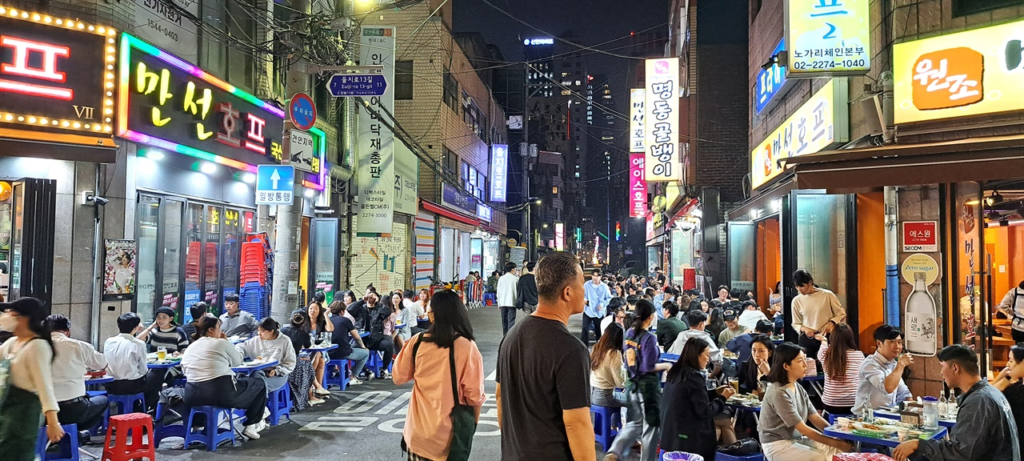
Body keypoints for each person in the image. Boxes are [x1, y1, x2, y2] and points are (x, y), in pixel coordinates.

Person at [496, 252, 595, 460]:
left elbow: (500, 397)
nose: (584, 293)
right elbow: (576, 422)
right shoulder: (571, 349)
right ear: (567, 293)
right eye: (582, 286)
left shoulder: (510, 337)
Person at [393, 290, 486, 460]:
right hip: (448, 437)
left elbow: (398, 376)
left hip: (417, 435)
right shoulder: (466, 346)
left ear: (433, 315)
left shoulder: (417, 341)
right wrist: (472, 425)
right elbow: (474, 396)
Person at [893, 344, 1021, 461]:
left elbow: (961, 453)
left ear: (955, 368)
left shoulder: (978, 401)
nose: (941, 372)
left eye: (942, 366)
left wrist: (918, 444)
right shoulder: (989, 392)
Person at [759, 342, 852, 461]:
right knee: (819, 457)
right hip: (777, 444)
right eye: (800, 361)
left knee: (835, 451)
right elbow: (803, 429)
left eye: (805, 359)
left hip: (795, 439)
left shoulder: (798, 387)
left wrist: (837, 436)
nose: (805, 364)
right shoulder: (778, 392)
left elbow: (815, 418)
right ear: (786, 366)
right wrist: (837, 442)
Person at [181, 315, 268, 440]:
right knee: (259, 384)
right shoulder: (221, 342)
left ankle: (197, 428)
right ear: (211, 330)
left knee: (243, 384)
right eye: (219, 328)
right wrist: (226, 341)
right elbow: (237, 361)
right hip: (220, 393)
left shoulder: (191, 346)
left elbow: (184, 370)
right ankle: (251, 425)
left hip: (192, 394)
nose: (221, 332)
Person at [0, 298, 63, 459]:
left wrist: (53, 422)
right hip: (6, 410)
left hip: (24, 414)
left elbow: (45, 386)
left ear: (24, 318)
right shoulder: (12, 343)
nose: (5, 316)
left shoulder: (38, 346)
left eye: (10, 313)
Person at [661, 336, 737, 460]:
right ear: (696, 355)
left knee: (722, 424)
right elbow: (705, 411)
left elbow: (691, 397)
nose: (708, 360)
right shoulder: (694, 376)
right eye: (706, 355)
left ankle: (733, 453)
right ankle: (734, 453)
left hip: (670, 429)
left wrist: (714, 393)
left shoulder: (676, 371)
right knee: (723, 422)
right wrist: (723, 398)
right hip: (686, 432)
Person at [621, 299, 672, 461]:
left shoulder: (628, 334)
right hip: (647, 388)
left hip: (632, 385)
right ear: (650, 317)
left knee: (635, 425)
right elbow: (648, 367)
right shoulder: (648, 337)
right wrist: (666, 366)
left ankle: (615, 453)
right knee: (650, 429)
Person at [46, 314, 108, 437]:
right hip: (74, 409)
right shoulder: (78, 345)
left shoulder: (35, 347)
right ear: (68, 332)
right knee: (103, 400)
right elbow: (102, 363)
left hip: (43, 412)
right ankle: (76, 434)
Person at [590, 325, 642, 460]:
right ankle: (632, 438)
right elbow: (620, 383)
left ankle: (614, 425)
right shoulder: (614, 354)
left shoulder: (597, 348)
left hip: (594, 393)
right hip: (607, 396)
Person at [103, 312, 161, 412]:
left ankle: (134, 410)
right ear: (136, 327)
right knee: (155, 378)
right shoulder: (138, 344)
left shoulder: (109, 341)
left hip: (110, 385)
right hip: (131, 385)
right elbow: (143, 370)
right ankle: (143, 411)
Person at [852, 324, 913, 415]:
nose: (897, 346)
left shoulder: (893, 364)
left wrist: (913, 410)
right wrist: (901, 365)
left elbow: (904, 393)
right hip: (865, 418)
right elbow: (886, 388)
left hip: (885, 416)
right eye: (892, 342)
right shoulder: (870, 364)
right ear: (879, 343)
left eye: (899, 342)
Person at [791, 270, 846, 367]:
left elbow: (841, 313)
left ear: (810, 283)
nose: (799, 289)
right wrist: (805, 329)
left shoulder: (827, 295)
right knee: (807, 369)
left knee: (829, 367)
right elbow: (795, 323)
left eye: (802, 286)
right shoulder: (796, 300)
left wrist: (832, 322)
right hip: (807, 339)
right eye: (797, 286)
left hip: (827, 336)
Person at [237, 317, 296, 393]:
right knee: (255, 377)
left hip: (278, 375)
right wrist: (238, 353)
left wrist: (276, 371)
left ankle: (259, 402)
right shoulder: (256, 340)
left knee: (257, 386)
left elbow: (290, 363)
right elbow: (242, 347)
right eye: (258, 331)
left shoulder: (284, 341)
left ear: (271, 331)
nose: (259, 334)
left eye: (262, 331)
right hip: (259, 373)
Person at [815, 324, 864, 416]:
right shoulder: (859, 355)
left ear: (832, 338)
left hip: (831, 404)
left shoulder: (824, 354)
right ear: (850, 338)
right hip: (854, 403)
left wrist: (824, 340)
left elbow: (823, 346)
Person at [280, 309, 321, 407]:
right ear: (304, 322)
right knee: (307, 365)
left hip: (280, 363)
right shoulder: (304, 335)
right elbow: (308, 346)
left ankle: (315, 390)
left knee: (306, 362)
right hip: (292, 367)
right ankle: (311, 394)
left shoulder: (282, 331)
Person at [328, 300, 369, 386]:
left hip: (328, 353)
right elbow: (357, 337)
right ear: (342, 312)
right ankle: (353, 376)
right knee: (365, 353)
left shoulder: (327, 321)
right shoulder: (345, 320)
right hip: (343, 352)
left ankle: (331, 376)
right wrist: (363, 346)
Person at [993, 343, 1024, 455]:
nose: (1007, 365)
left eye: (1011, 361)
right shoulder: (1016, 387)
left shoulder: (1015, 392)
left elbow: (987, 396)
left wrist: (1006, 377)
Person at [364, 291, 396, 379]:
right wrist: (362, 300)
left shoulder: (379, 310)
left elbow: (387, 311)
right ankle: (366, 371)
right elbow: (351, 309)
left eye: (373, 297)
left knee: (389, 345)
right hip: (362, 339)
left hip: (375, 339)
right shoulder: (361, 308)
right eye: (369, 297)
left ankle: (384, 369)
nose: (371, 299)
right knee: (352, 348)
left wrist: (377, 303)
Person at [583, 269, 612, 344]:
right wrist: (585, 300)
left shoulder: (604, 287)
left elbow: (609, 298)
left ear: (600, 277)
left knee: (599, 330)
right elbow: (583, 295)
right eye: (594, 276)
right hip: (588, 310)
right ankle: (584, 346)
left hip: (599, 312)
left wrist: (602, 305)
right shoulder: (587, 284)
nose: (595, 278)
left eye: (597, 276)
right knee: (585, 329)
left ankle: (599, 346)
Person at [496, 262, 519, 336]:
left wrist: (499, 304)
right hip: (512, 302)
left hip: (502, 303)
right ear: (512, 269)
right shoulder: (515, 279)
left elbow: (498, 292)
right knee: (511, 321)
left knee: (504, 322)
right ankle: (510, 337)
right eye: (515, 269)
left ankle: (504, 336)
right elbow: (517, 291)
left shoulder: (501, 278)